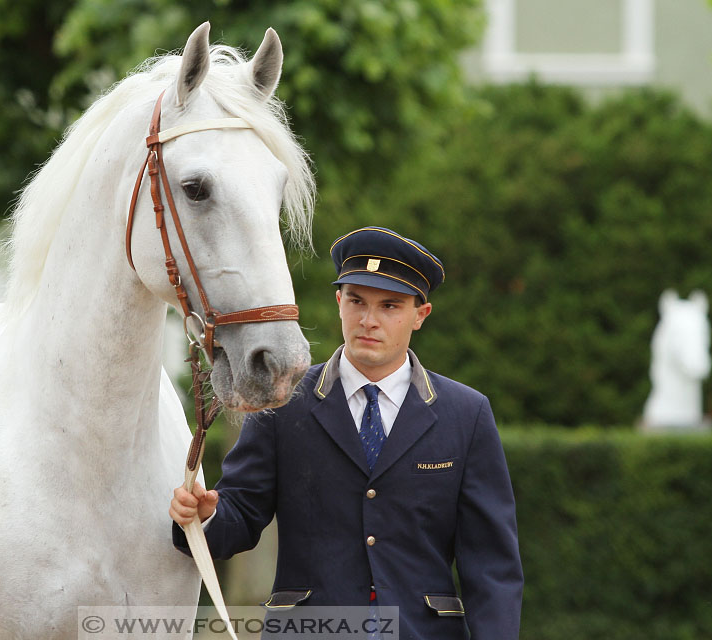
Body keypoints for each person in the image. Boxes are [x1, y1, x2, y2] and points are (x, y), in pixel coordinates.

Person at [170, 226, 523, 639]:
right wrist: (205, 517)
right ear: (339, 302)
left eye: (389, 306)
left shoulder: (467, 413)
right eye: (357, 301)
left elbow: (492, 566)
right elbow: (240, 517)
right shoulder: (283, 401)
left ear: (420, 315)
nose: (368, 321)